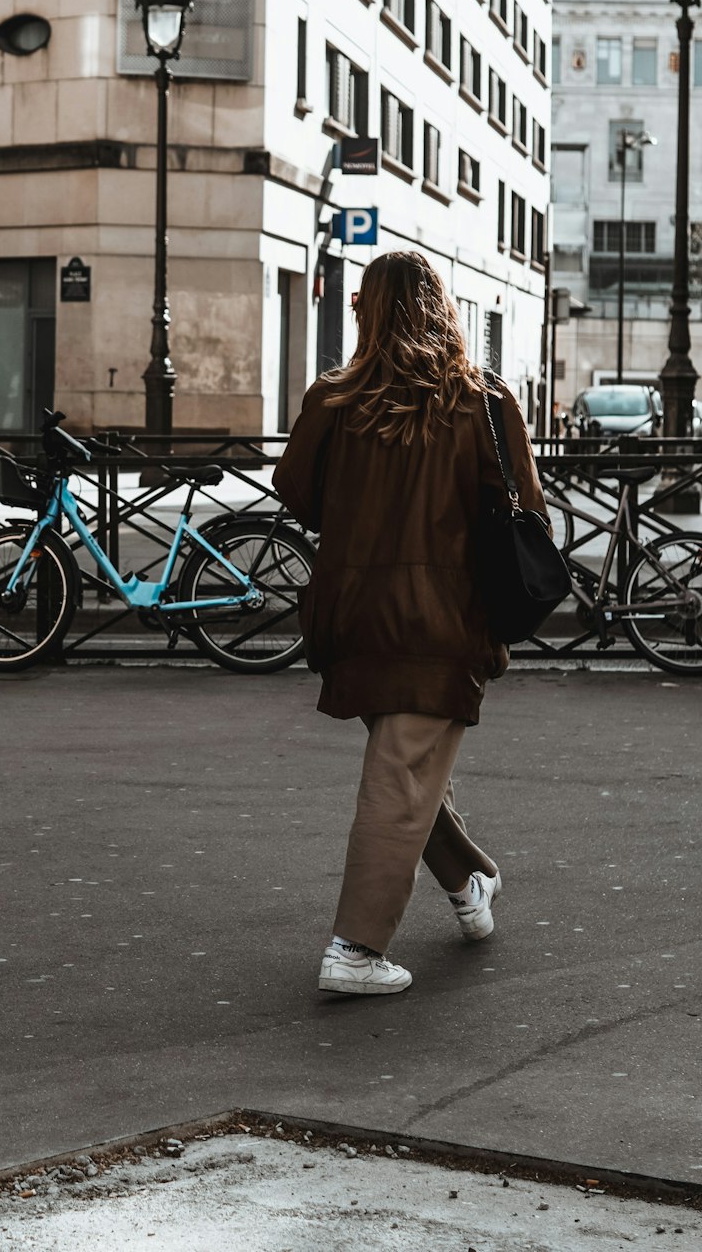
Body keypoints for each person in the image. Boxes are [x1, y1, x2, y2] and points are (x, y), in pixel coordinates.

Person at [272, 250, 548, 998]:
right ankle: (355, 950)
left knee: (407, 764)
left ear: (365, 311)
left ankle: (468, 884)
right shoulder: (482, 400)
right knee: (402, 776)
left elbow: (295, 492)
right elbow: (525, 507)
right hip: (442, 616)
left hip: (354, 614)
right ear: (440, 307)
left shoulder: (333, 398)